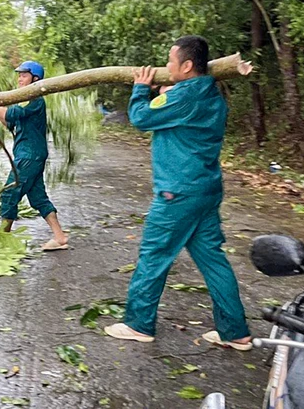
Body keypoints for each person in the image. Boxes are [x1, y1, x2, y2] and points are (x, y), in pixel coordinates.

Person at [104, 36, 252, 350]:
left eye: (170, 60)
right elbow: (173, 113)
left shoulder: (185, 97)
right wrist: (163, 94)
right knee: (213, 261)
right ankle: (235, 332)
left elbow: (141, 118)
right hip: (205, 190)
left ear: (186, 66)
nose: (166, 66)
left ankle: (138, 324)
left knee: (154, 256)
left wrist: (140, 89)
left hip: (177, 194)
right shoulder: (210, 93)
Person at [0, 60, 68, 251]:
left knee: (10, 193)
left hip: (29, 156)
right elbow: (8, 122)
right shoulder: (27, 100)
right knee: (38, 197)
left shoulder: (33, 98)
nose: (19, 79)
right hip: (31, 155)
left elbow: (8, 115)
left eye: (23, 75)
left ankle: (2, 241)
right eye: (19, 75)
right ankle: (60, 237)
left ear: (35, 78)